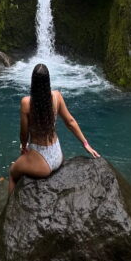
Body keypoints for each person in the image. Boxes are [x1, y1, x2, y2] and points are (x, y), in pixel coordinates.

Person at [8, 62, 100, 193]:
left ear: (33, 81)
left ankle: (11, 211)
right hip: (58, 155)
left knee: (12, 173)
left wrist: (24, 148)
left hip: (42, 163)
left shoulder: (26, 103)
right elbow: (70, 121)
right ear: (48, 81)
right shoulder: (57, 97)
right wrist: (85, 144)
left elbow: (24, 133)